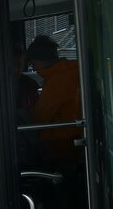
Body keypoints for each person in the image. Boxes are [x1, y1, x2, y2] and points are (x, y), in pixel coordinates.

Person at [26, 35, 81, 163]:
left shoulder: (57, 80)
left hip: (61, 145)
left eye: (34, 63)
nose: (34, 68)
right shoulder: (70, 71)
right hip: (73, 138)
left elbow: (41, 116)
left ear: (43, 60)